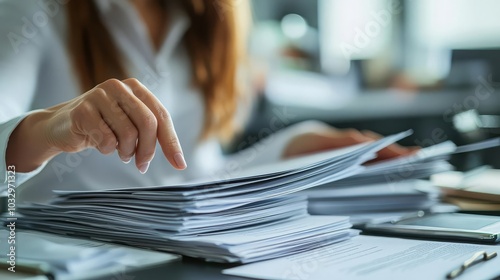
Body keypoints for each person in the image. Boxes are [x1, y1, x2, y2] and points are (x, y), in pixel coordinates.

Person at [0, 0, 415, 203]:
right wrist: (52, 130)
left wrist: (293, 149)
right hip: (75, 258)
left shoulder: (212, 18)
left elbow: (195, 175)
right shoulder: (32, 9)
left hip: (183, 254)